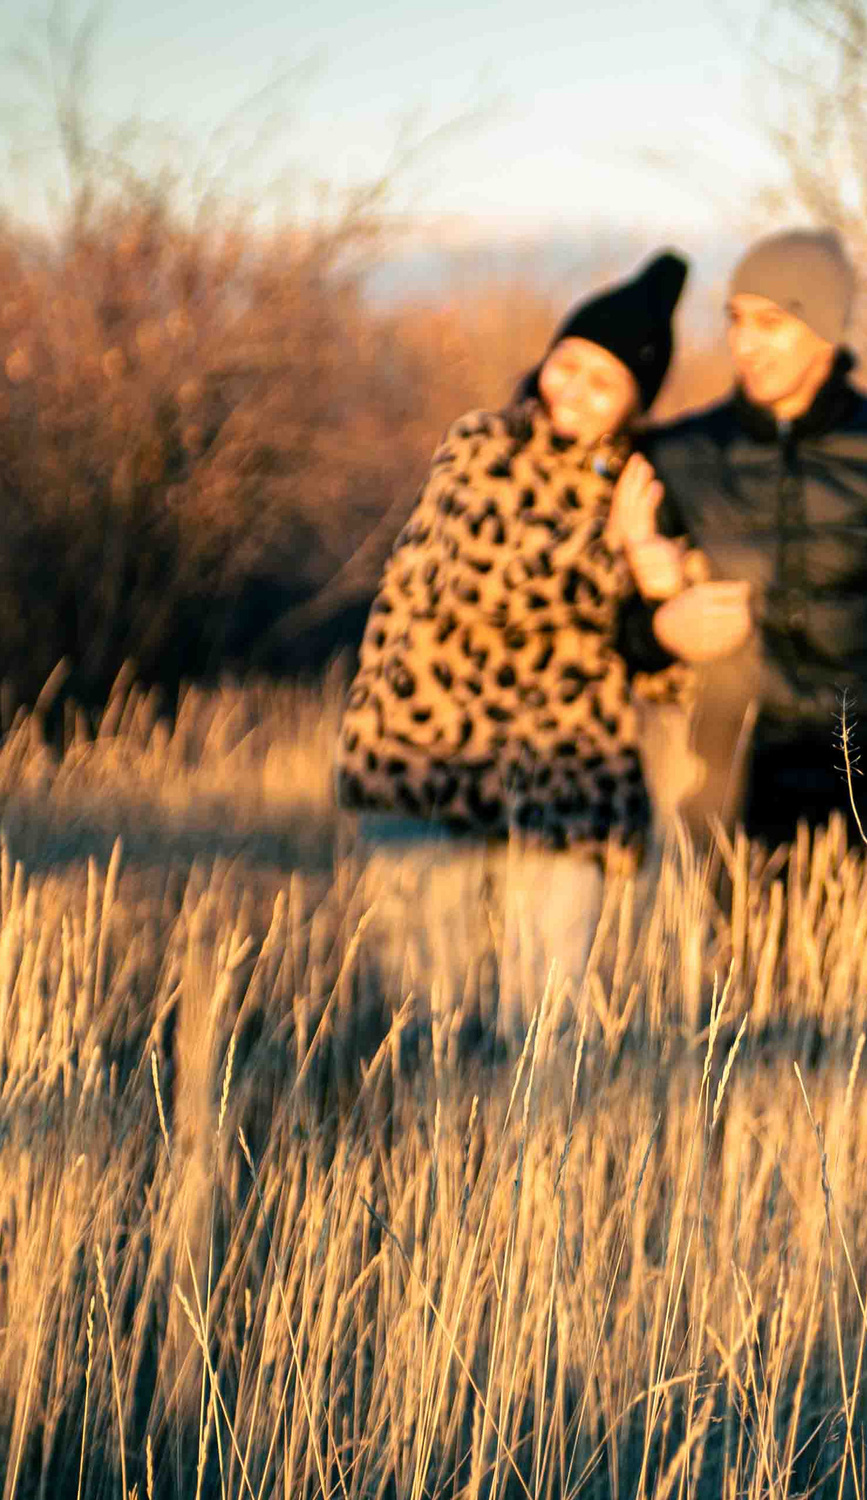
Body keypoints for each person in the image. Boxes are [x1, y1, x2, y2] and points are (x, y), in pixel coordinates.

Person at [335, 251, 694, 1032]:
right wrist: (626, 557)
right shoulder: (480, 447)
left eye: (604, 382)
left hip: (572, 775)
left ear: (635, 402)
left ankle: (527, 1156)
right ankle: (414, 1150)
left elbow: (665, 668)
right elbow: (474, 582)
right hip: (429, 761)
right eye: (568, 363)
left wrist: (667, 589)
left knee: (547, 1028)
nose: (573, 389)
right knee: (416, 1018)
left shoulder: (645, 487)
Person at [608, 228, 867, 895]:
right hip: (730, 797)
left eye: (771, 323)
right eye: (735, 320)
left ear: (824, 329)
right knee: (742, 996)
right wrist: (658, 623)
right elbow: (618, 630)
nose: (744, 343)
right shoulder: (679, 456)